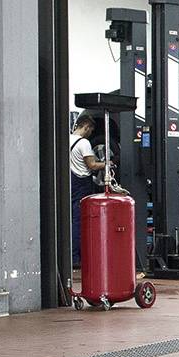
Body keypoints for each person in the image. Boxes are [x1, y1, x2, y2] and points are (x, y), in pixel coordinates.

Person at [68, 113, 102, 263]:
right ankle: (76, 257)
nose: (90, 134)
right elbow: (92, 165)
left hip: (70, 180)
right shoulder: (84, 143)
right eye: (91, 130)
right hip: (82, 184)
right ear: (86, 127)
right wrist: (108, 164)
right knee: (79, 221)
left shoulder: (66, 139)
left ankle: (71, 254)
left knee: (70, 219)